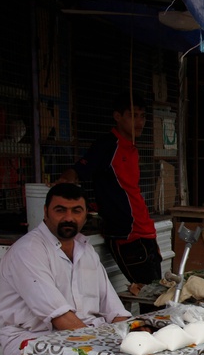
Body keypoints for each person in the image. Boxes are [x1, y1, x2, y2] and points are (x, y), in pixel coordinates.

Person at [0, 183, 132, 355]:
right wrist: (106, 347)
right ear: (46, 212)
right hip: (33, 339)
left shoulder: (86, 250)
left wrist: (136, 338)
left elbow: (114, 309)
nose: (68, 217)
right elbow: (60, 318)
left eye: (76, 211)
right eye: (60, 210)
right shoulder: (28, 251)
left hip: (81, 333)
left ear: (85, 215)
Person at [60, 93, 161, 288]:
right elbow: (77, 170)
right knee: (151, 295)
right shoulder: (107, 145)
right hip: (127, 235)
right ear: (117, 117)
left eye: (142, 116)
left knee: (157, 294)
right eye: (132, 116)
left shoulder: (131, 148)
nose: (139, 122)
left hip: (146, 230)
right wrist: (65, 181)